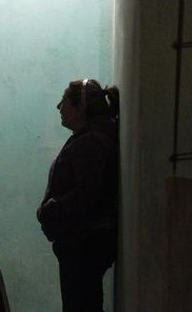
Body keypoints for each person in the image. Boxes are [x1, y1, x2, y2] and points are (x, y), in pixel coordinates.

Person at [37, 79, 120, 312]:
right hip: (83, 240)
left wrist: (50, 209)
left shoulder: (92, 142)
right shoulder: (90, 137)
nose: (58, 107)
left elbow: (86, 194)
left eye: (63, 101)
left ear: (80, 107)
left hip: (84, 241)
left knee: (80, 305)